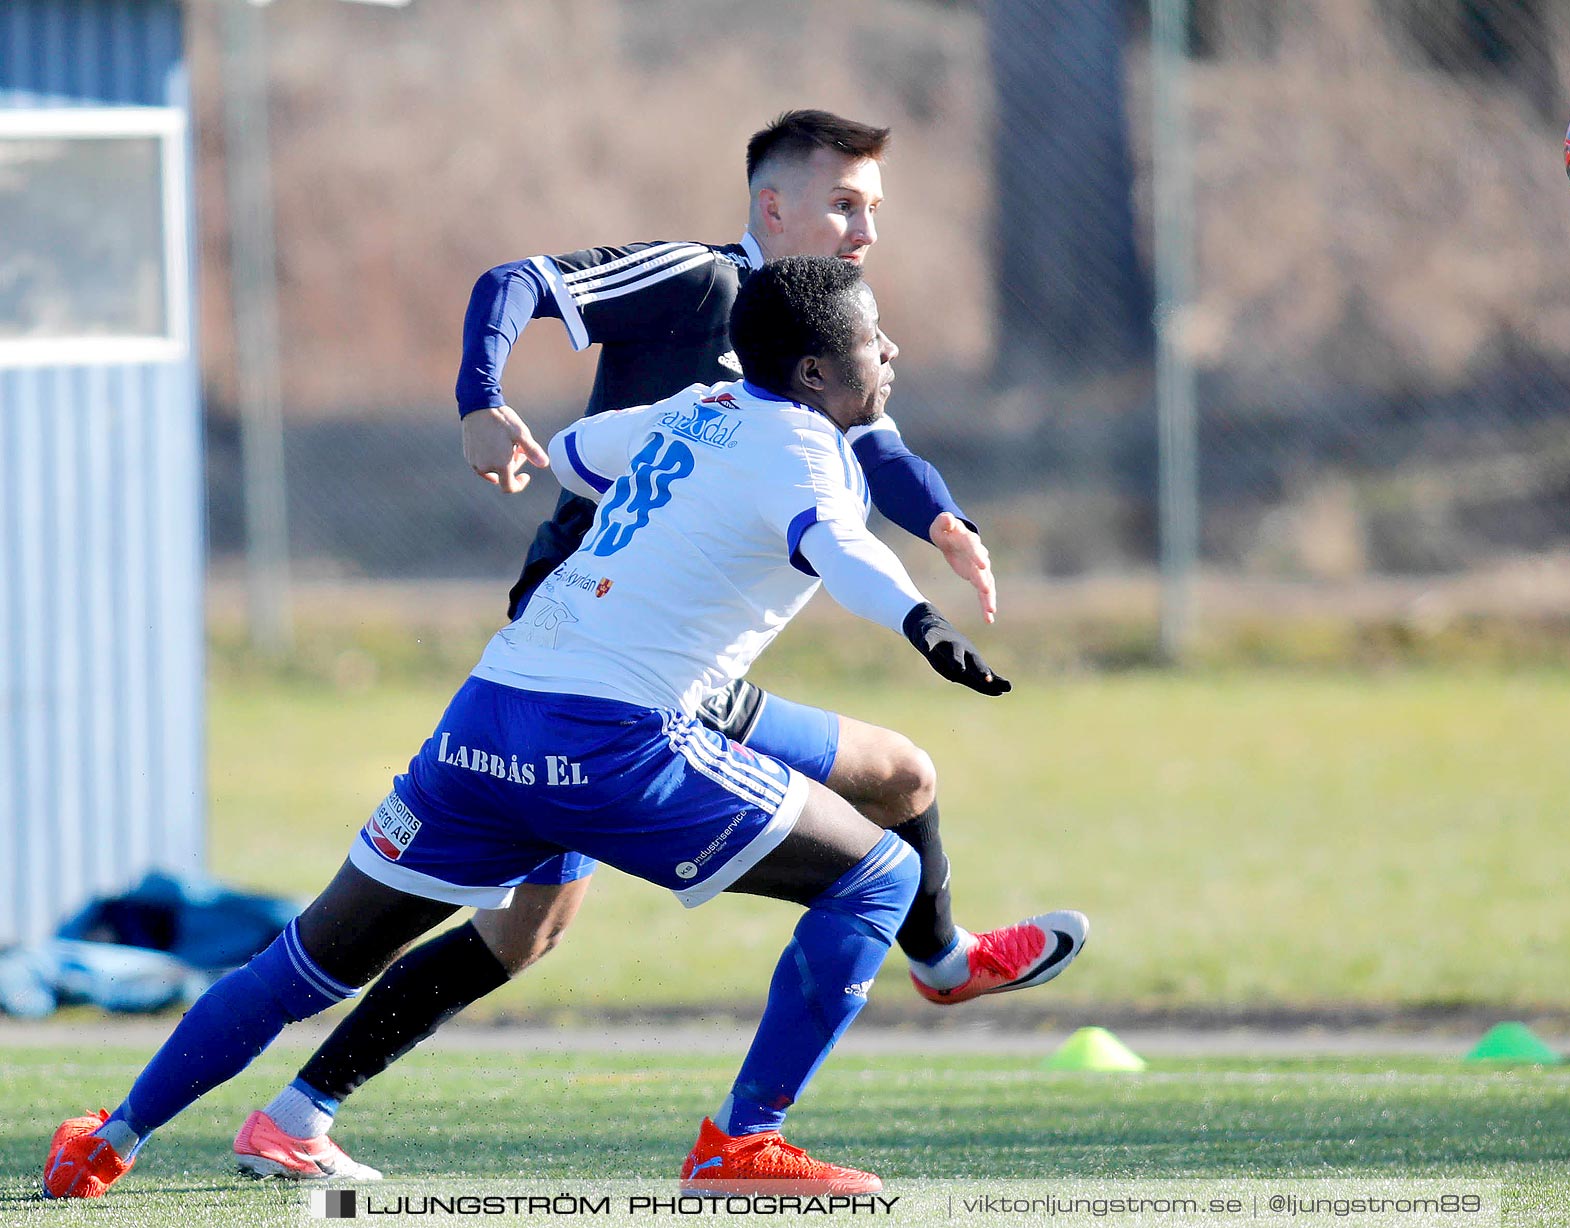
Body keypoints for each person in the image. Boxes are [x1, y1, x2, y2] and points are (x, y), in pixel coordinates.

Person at [44, 257, 1031, 1200]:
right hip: (612, 738)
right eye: (875, 338)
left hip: (486, 717)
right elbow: (841, 550)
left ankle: (108, 1138)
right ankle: (741, 1141)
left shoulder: (697, 408)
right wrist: (920, 621)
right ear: (817, 370)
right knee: (881, 876)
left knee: (306, 962)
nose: (893, 351)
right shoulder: (807, 450)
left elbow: (576, 454)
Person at [228, 110, 1086, 1183]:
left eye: (875, 209)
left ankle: (945, 961)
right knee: (521, 930)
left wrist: (947, 522)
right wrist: (479, 402)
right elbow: (513, 283)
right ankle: (303, 1108)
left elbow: (881, 450)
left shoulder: (821, 328)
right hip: (588, 660)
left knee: (897, 777)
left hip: (674, 669)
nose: (866, 230)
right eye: (846, 204)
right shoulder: (696, 283)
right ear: (775, 207)